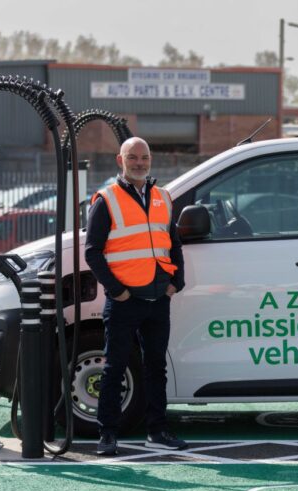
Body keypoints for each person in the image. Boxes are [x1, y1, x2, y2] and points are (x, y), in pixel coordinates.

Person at [85, 137, 188, 456]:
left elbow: (174, 245)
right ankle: (108, 434)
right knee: (114, 367)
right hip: (125, 301)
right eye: (133, 158)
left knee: (156, 367)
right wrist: (118, 291)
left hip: (159, 298)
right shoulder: (107, 199)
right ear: (121, 160)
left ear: (151, 159)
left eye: (144, 157)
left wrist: (176, 283)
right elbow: (92, 253)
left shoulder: (163, 197)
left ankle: (157, 431)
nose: (140, 163)